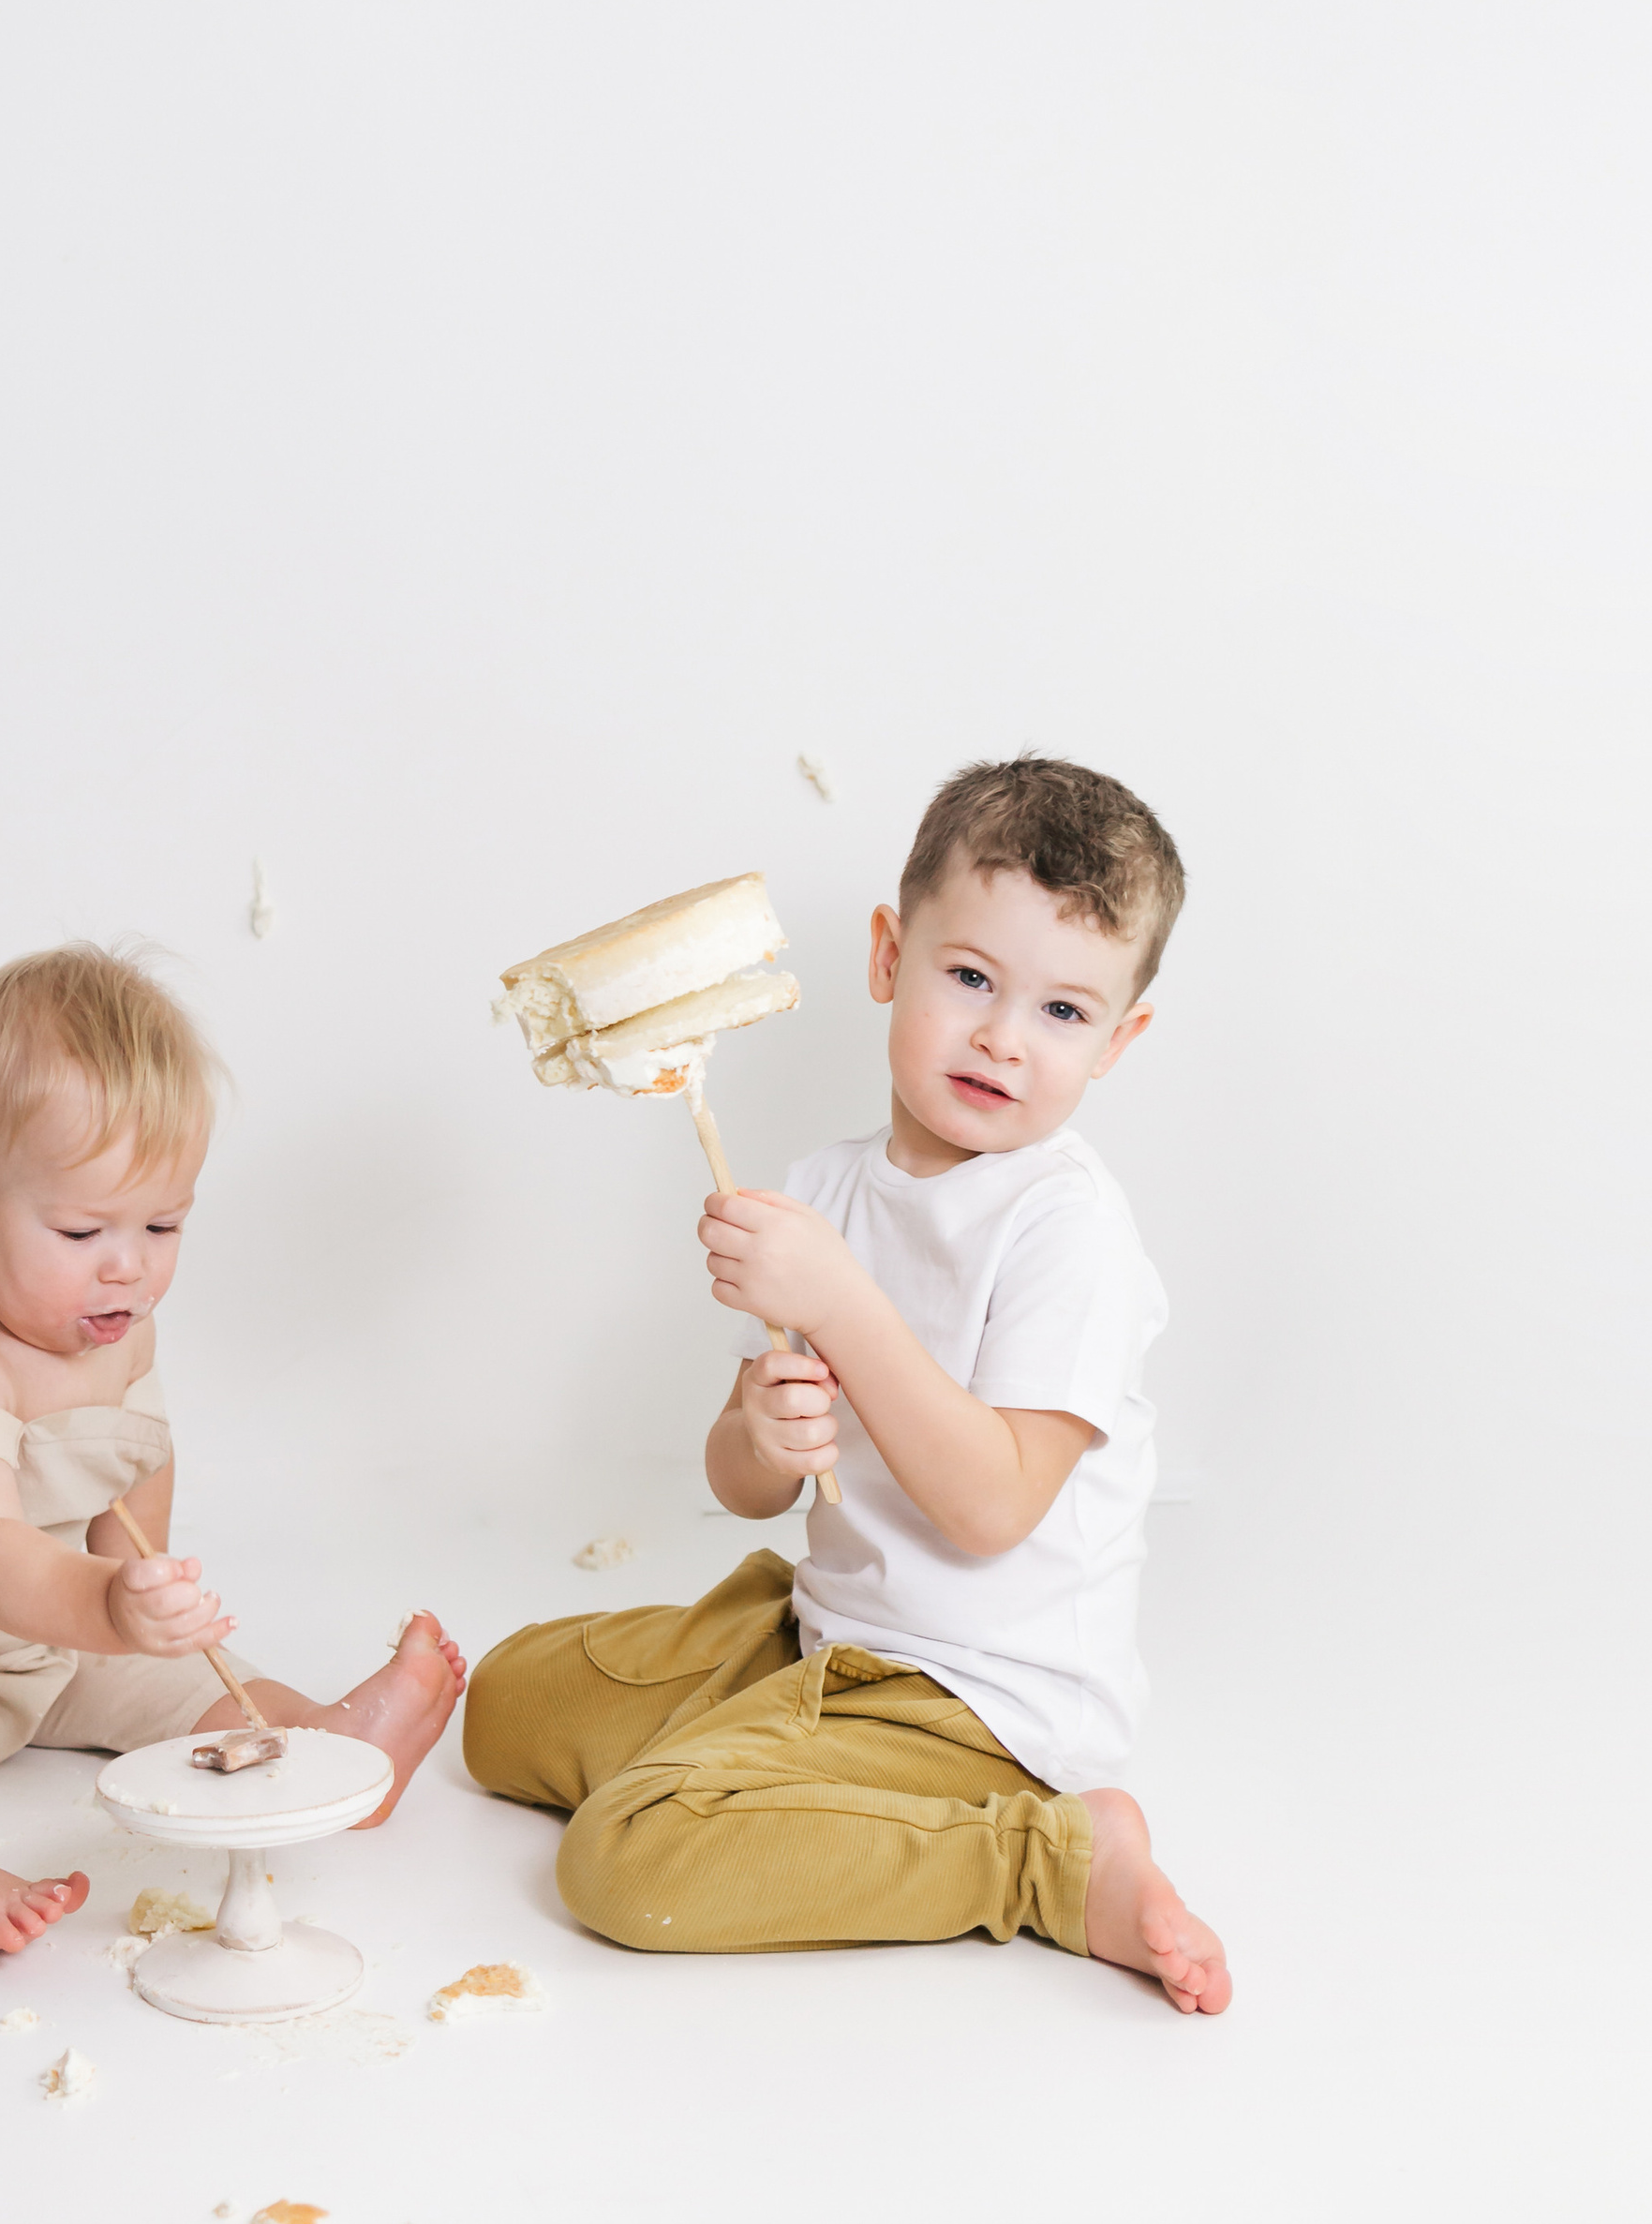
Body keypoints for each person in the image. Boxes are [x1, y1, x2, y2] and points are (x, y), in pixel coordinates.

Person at [463, 755, 1229, 2013]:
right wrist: (766, 1432)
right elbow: (746, 1484)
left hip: (983, 1703)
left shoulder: (1065, 1229)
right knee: (505, 1705)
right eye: (971, 978)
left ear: (1119, 1042)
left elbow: (992, 1507)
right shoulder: (821, 1193)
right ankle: (768, 1766)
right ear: (890, 956)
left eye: (1062, 1012)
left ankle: (1047, 1861)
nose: (1001, 1036)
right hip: (825, 1632)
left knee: (623, 1863)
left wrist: (840, 1303)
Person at [0, 943, 466, 1958]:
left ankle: (316, 1747)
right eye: (80, 1231)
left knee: (181, 1683)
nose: (127, 1268)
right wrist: (106, 1607)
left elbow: (127, 1460)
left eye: (162, 1223)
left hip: (30, 1636)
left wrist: (135, 1587)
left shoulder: (112, 1320)